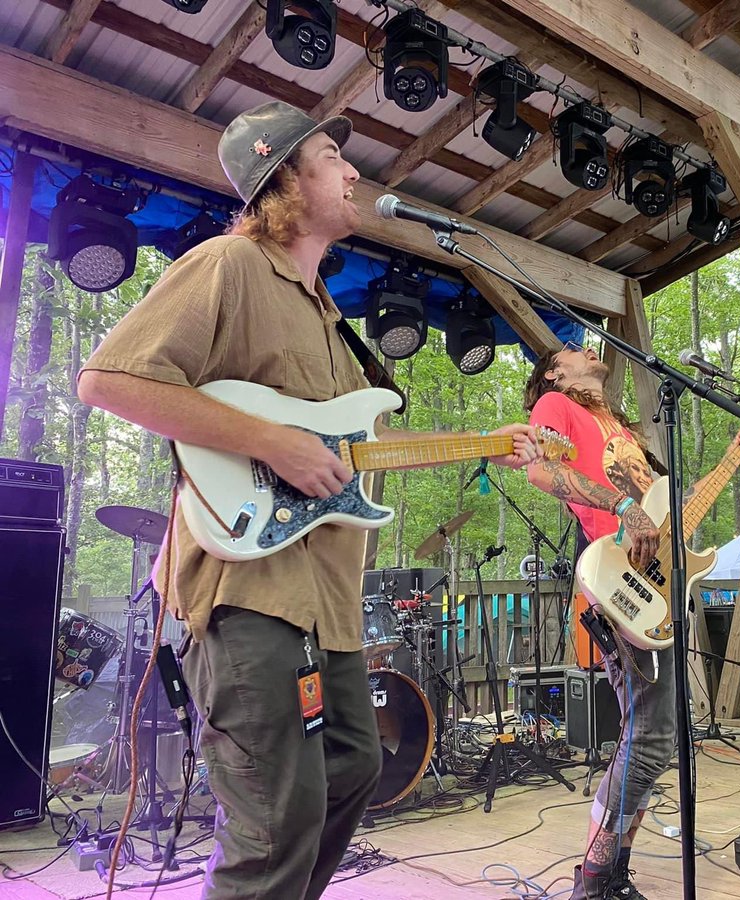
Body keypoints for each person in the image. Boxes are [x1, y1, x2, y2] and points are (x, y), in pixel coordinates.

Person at [76, 101, 540, 900]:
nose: (355, 171)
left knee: (356, 763)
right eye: (332, 156)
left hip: (326, 602)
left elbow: (340, 448)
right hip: (247, 587)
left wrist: (493, 442)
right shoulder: (229, 265)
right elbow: (108, 380)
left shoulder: (329, 314)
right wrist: (270, 442)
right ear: (284, 177)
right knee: (270, 819)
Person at [523, 340, 740, 900]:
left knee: (653, 737)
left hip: (653, 588)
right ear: (556, 373)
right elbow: (540, 473)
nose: (586, 346)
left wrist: (732, 457)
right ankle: (596, 876)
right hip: (615, 582)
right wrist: (622, 506)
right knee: (650, 737)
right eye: (569, 349)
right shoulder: (558, 408)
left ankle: (610, 873)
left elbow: (673, 511)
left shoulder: (623, 433)